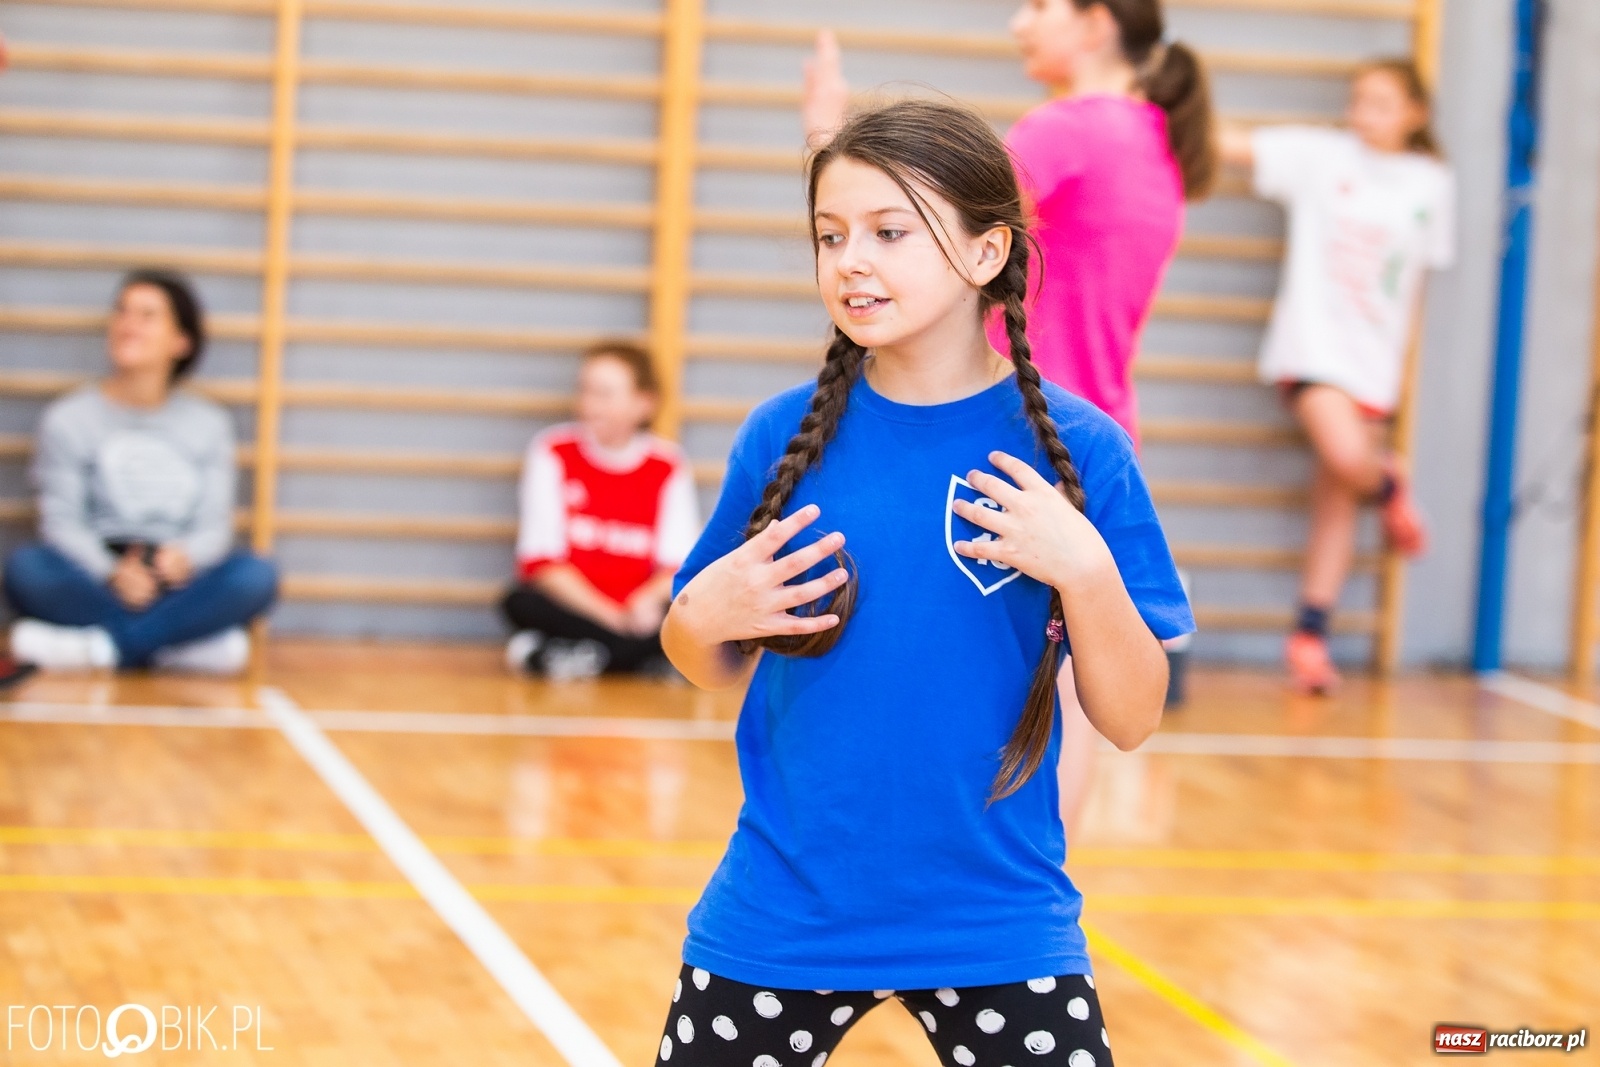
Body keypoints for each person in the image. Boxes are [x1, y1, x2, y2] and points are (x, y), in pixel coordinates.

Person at [654, 100, 1190, 1065]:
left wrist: (1083, 568)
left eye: (890, 232)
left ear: (988, 254)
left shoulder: (1081, 451)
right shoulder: (780, 437)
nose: (851, 260)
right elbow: (701, 659)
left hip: (998, 919)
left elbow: (1134, 715)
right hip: (786, 908)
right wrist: (704, 615)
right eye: (831, 235)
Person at [802, 0, 1214, 831]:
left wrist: (826, 136)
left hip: (1005, 439)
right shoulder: (1157, 139)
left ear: (1097, 20)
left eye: (1039, 5)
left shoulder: (1070, 131)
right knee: (1059, 685)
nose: (1020, 23)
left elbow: (930, 213)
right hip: (1089, 432)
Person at [1218, 58, 1453, 694]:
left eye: (1380, 104)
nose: (1362, 116)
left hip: (1373, 362)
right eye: (1357, 102)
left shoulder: (1431, 183)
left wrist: (1402, 376)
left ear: (1415, 114)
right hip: (1313, 350)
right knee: (1350, 458)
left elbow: (1416, 287)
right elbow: (1228, 144)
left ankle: (1310, 636)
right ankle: (1390, 484)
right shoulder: (1322, 157)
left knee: (1334, 504)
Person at [4, 270, 278, 674]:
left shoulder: (209, 424)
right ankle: (175, 646)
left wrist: (185, 559)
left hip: (177, 579)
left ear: (181, 341)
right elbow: (61, 524)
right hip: (98, 575)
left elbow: (213, 527)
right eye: (122, 312)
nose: (128, 325)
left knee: (255, 576)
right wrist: (112, 572)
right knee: (27, 569)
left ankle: (101, 649)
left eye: (147, 316)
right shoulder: (68, 418)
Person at [502, 341, 699, 679]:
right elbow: (542, 563)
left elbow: (680, 565)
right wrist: (611, 617)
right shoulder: (553, 451)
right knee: (520, 602)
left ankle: (563, 655)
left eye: (604, 394)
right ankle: (639, 659)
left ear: (644, 403)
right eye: (585, 391)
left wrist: (645, 602)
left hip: (641, 609)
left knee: (695, 613)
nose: (589, 404)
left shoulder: (666, 464)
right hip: (578, 604)